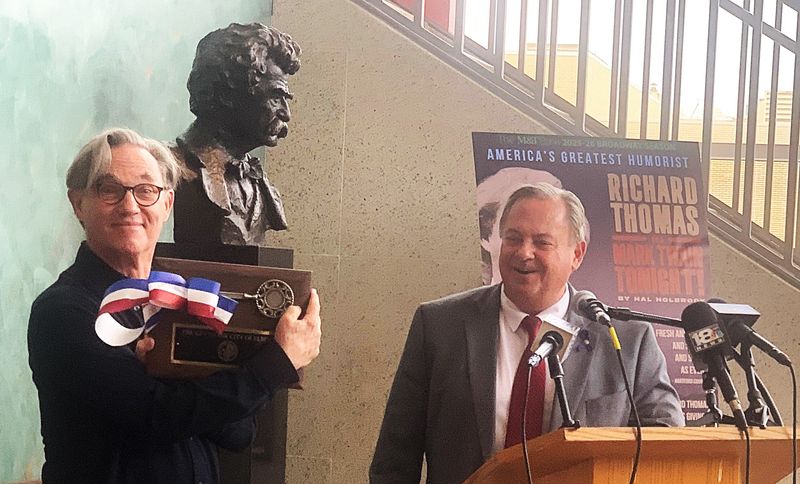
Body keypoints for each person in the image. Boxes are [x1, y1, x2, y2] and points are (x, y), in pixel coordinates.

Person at [28, 128, 322, 483]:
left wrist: (197, 377)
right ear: (78, 204)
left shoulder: (176, 301)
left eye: (146, 191)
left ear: (167, 204)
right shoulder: (63, 311)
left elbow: (237, 434)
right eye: (109, 189)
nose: (130, 205)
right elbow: (157, 415)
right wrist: (278, 363)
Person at [370, 183, 682, 483]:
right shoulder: (440, 325)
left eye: (542, 242)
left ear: (577, 254)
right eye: (513, 238)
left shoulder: (625, 340)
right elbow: (395, 458)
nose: (524, 252)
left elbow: (666, 444)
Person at [172, 22, 301, 246]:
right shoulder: (168, 168)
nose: (285, 113)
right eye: (274, 97)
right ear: (228, 95)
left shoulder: (255, 179)